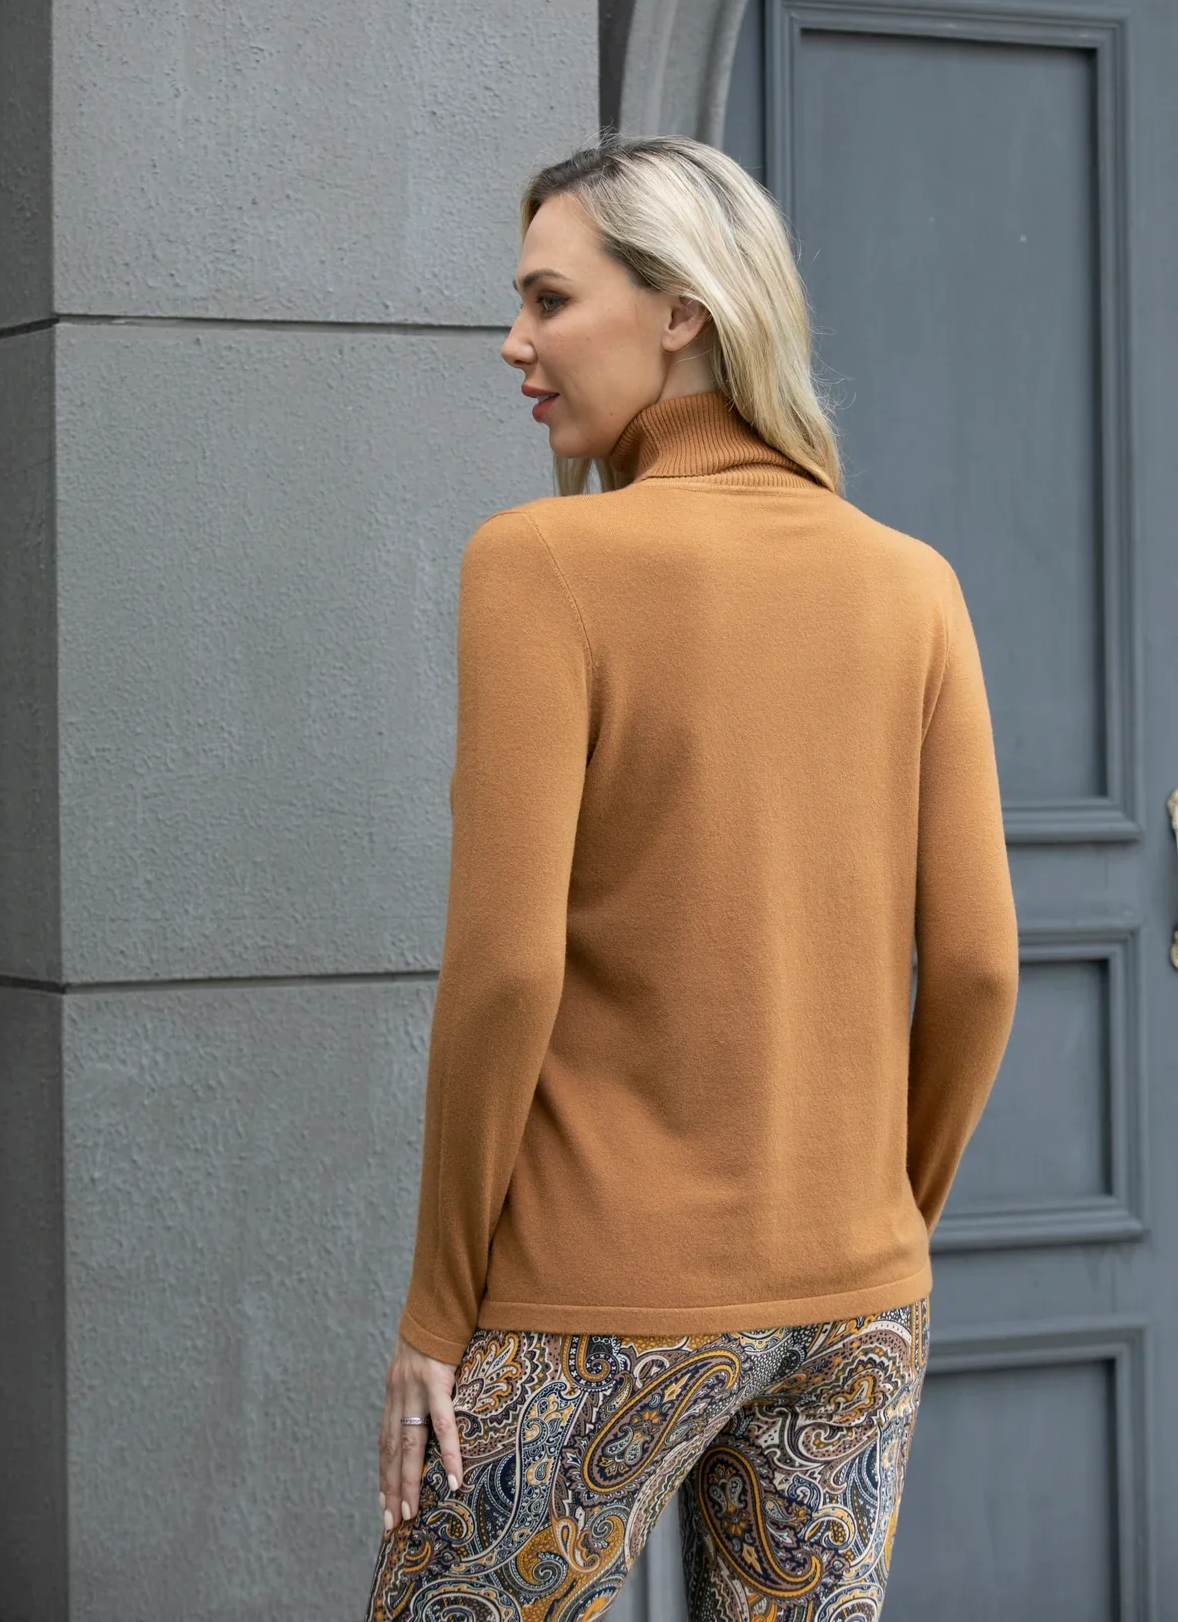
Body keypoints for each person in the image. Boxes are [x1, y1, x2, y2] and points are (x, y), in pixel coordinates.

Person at [362, 133, 1019, 1622]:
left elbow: (507, 972)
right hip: (856, 1307)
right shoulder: (914, 583)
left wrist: (437, 1311)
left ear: (682, 312)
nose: (515, 341)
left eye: (549, 298)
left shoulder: (541, 564)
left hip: (590, 1301)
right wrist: (879, 1222)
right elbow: (982, 970)